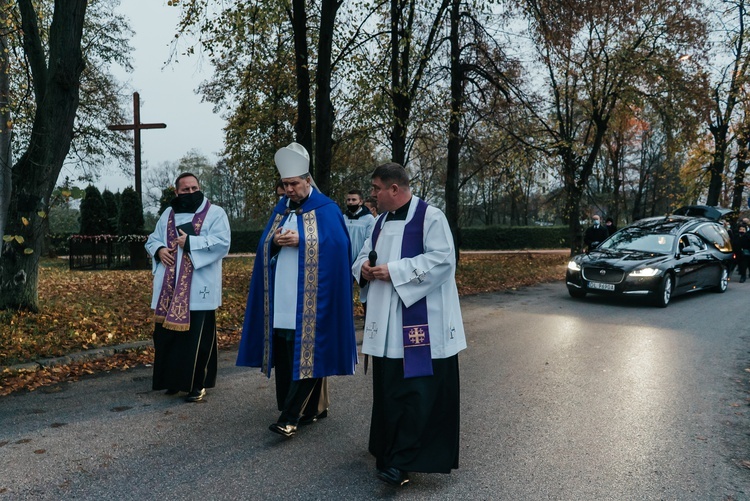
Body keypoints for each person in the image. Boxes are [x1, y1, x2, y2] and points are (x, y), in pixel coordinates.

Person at [352, 162, 467, 487]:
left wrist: (394, 271)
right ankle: (388, 452)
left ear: (394, 189)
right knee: (390, 391)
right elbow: (362, 255)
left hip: (422, 328)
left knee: (416, 395)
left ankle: (404, 462)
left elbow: (444, 259)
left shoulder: (431, 217)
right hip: (387, 327)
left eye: (375, 188)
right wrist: (364, 269)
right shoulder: (378, 222)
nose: (371, 194)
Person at [236, 142, 358, 438]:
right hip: (282, 297)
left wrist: (303, 241)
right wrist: (274, 243)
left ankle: (290, 416)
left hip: (313, 297)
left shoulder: (326, 208)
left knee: (311, 350)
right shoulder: (281, 210)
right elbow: (264, 245)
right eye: (285, 184)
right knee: (288, 349)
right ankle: (312, 406)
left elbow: (340, 246)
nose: (288, 189)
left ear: (307, 180)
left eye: (293, 183)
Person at [145, 172, 231, 403]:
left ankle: (197, 384)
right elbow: (152, 239)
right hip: (169, 287)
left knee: (197, 339)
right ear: (177, 192)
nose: (191, 193)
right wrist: (159, 249)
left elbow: (223, 243)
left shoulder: (215, 213)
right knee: (168, 338)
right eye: (186, 190)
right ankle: (172, 381)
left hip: (199, 287)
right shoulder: (168, 213)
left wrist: (192, 242)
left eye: (194, 188)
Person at [344, 189, 376, 264]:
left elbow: (369, 240)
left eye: (354, 200)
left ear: (361, 202)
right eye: (348, 200)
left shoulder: (368, 219)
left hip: (360, 261)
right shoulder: (343, 218)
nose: (350, 202)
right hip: (344, 260)